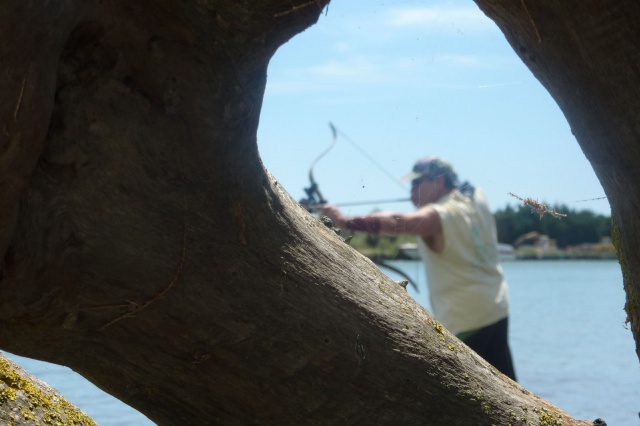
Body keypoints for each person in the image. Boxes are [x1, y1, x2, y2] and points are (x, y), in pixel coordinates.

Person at [319, 157, 516, 381]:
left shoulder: (440, 215)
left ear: (439, 181)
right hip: (496, 305)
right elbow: (464, 188)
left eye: (416, 184)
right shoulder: (474, 196)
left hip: (466, 318)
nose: (411, 190)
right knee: (509, 384)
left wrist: (346, 221)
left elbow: (400, 222)